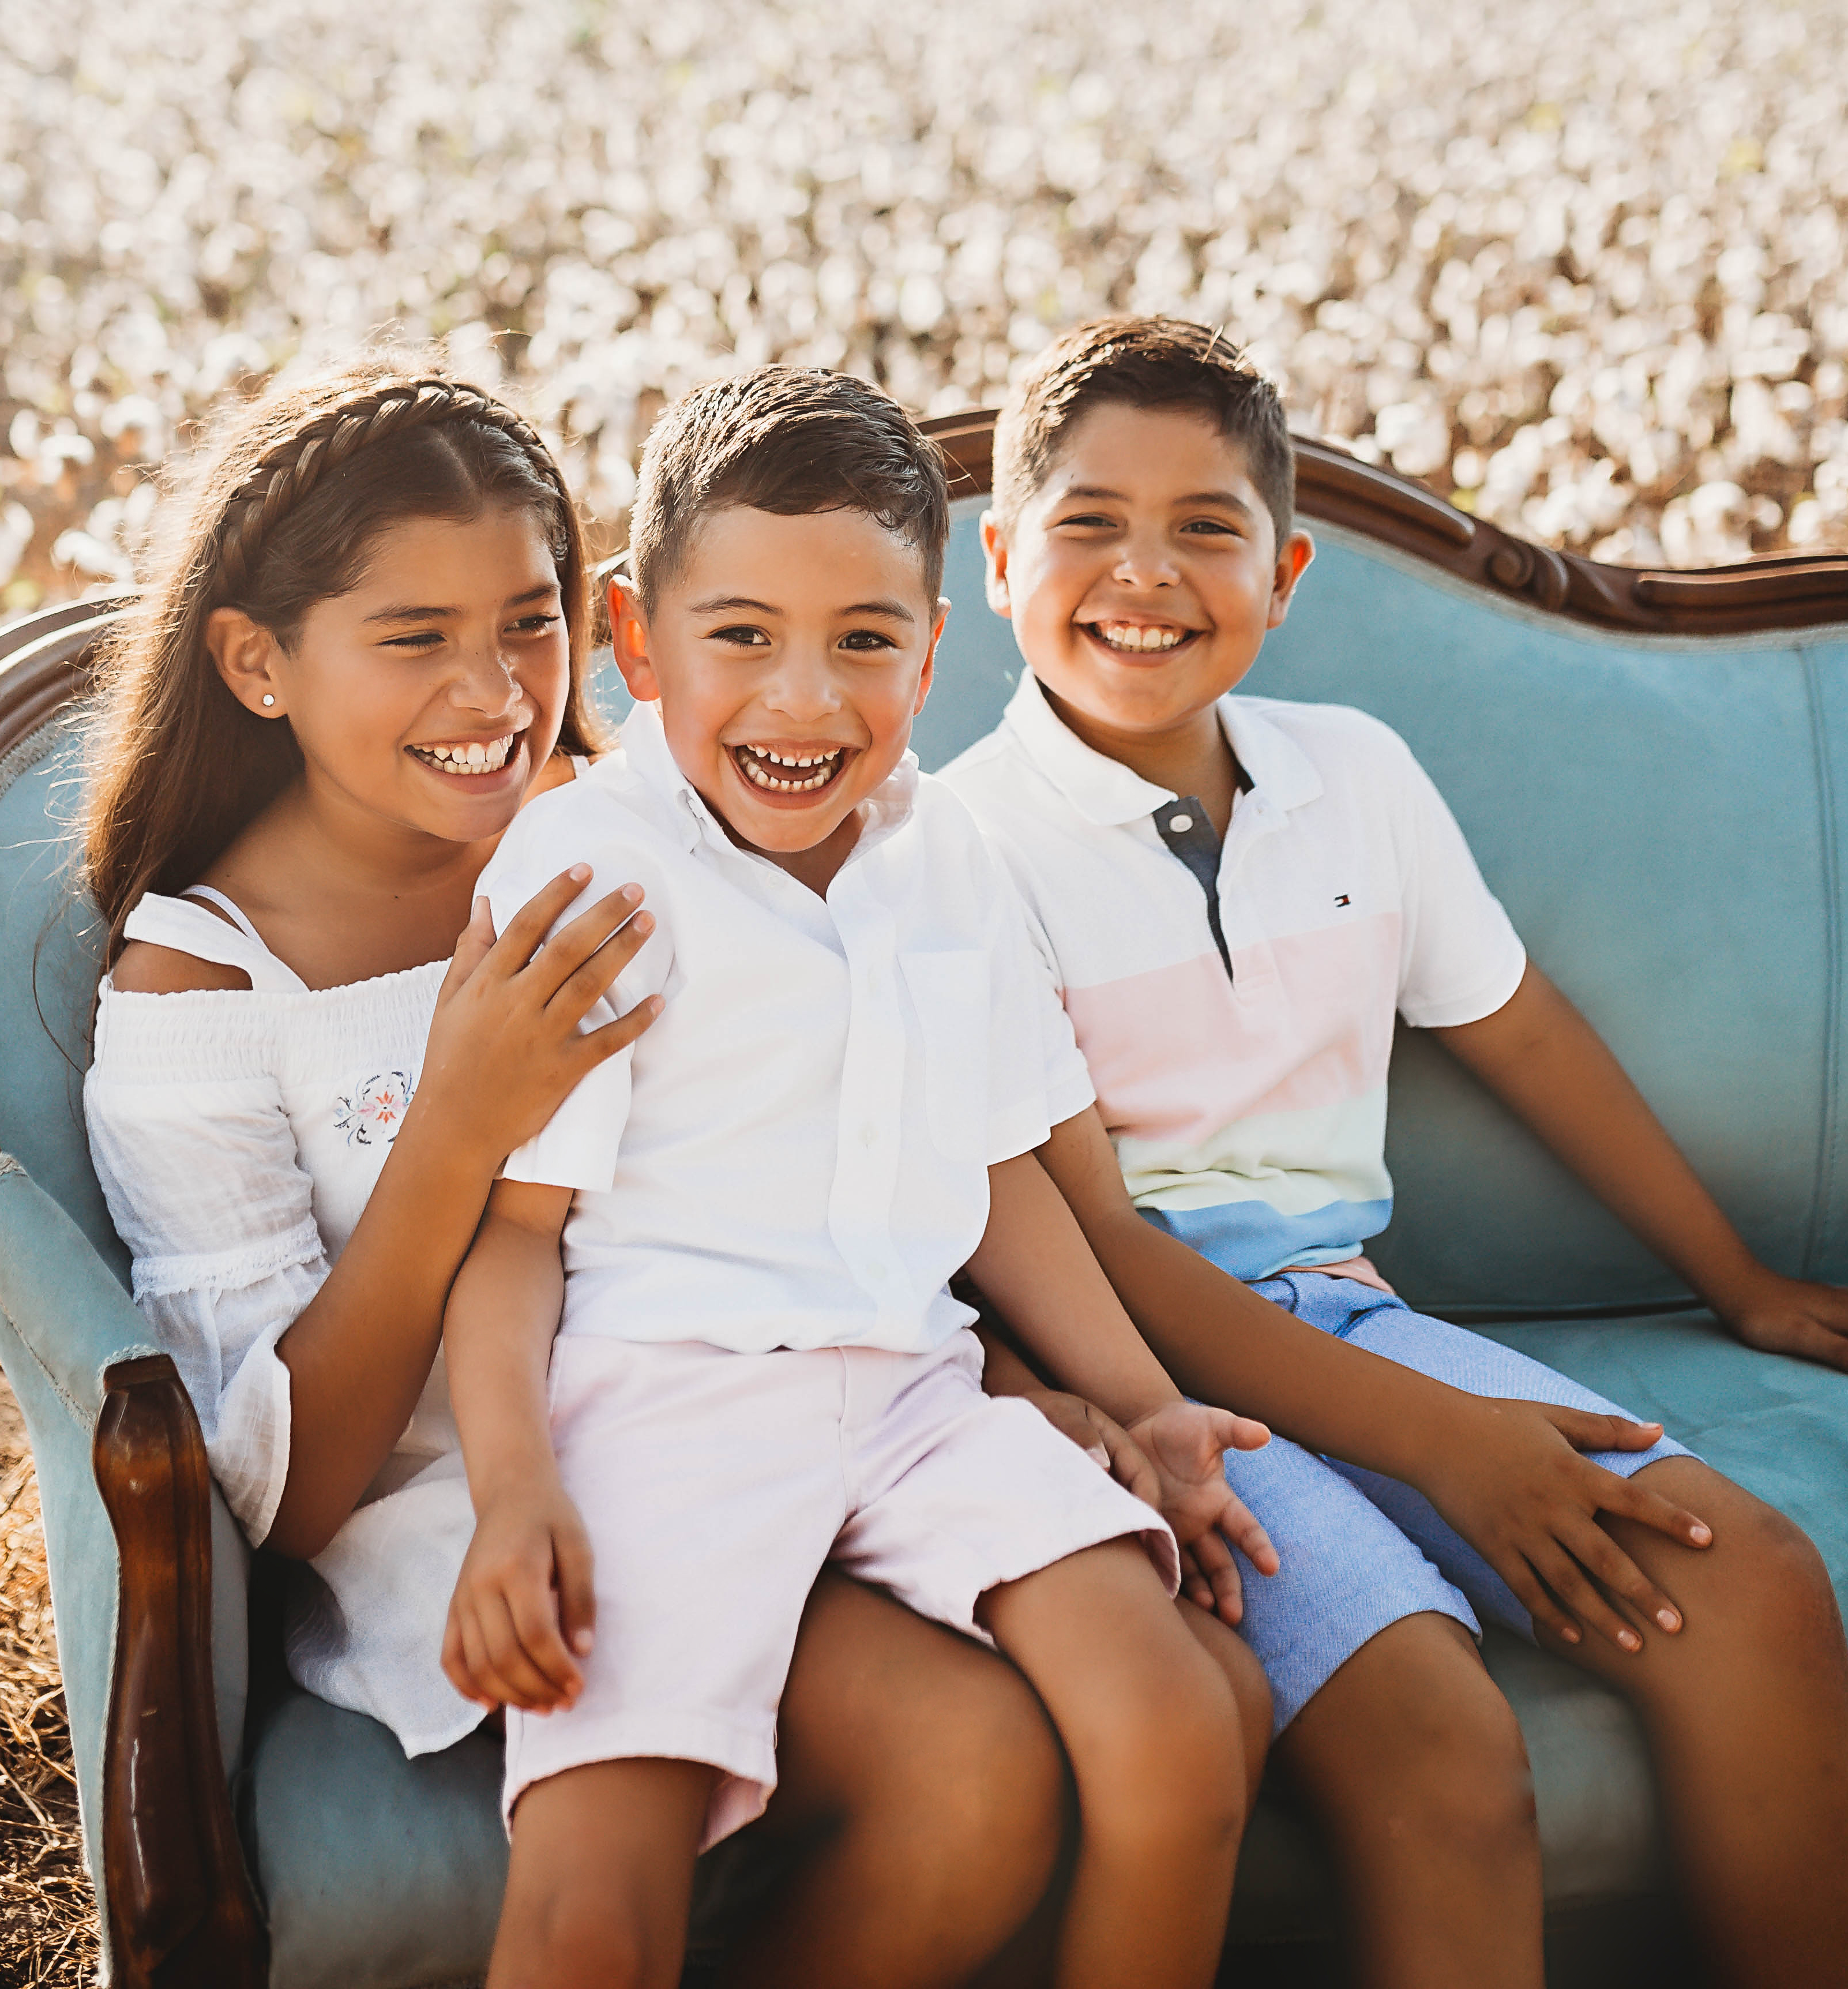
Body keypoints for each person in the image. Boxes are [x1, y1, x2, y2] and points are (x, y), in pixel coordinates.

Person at [78, 356, 1094, 1988]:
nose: (495, 694)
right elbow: (294, 1488)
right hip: (472, 1514)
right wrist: (457, 1126)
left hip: (759, 1415)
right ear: (258, 664)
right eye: (415, 640)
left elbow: (844, 1146)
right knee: (921, 1777)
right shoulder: (204, 989)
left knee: (985, 1770)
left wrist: (1011, 1378)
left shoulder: (639, 838)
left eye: (528, 623)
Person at [941, 313, 1848, 1989]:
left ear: (1288, 572)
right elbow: (1091, 1254)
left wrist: (1733, 1280)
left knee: (1746, 1580)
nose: (1144, 574)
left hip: (1349, 1312)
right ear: (1000, 560)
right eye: (1089, 524)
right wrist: (1451, 1445)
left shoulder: (1355, 777)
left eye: (1207, 528)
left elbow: (1519, 1030)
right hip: (1140, 1372)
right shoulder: (957, 852)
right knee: (1441, 1748)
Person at [447, 366, 1276, 1989]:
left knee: (1182, 1723)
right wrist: (512, 1488)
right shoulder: (589, 868)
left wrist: (1143, 1398)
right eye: (740, 635)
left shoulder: (947, 856)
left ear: (933, 648)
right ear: (634, 638)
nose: (804, 703)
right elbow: (512, 1237)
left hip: (912, 1399)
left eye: (866, 642)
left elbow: (997, 1176)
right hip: (662, 1413)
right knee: (595, 1915)